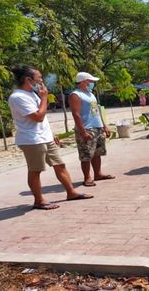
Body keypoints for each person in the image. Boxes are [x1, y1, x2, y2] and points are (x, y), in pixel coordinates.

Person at [8, 65, 93, 210]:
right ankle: (39, 200)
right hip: (32, 140)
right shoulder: (18, 97)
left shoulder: (33, 94)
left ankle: (71, 192)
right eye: (39, 78)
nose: (42, 81)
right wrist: (44, 97)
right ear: (29, 80)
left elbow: (43, 119)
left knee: (60, 165)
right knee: (36, 170)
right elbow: (38, 117)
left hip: (45, 137)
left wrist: (51, 133)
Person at [69, 72, 115, 186]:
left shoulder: (91, 94)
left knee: (97, 153)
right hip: (86, 128)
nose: (92, 83)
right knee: (86, 154)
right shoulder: (75, 95)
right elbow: (76, 114)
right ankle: (87, 177)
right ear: (83, 81)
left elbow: (96, 111)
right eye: (91, 81)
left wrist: (104, 125)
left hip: (97, 127)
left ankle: (98, 174)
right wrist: (82, 131)